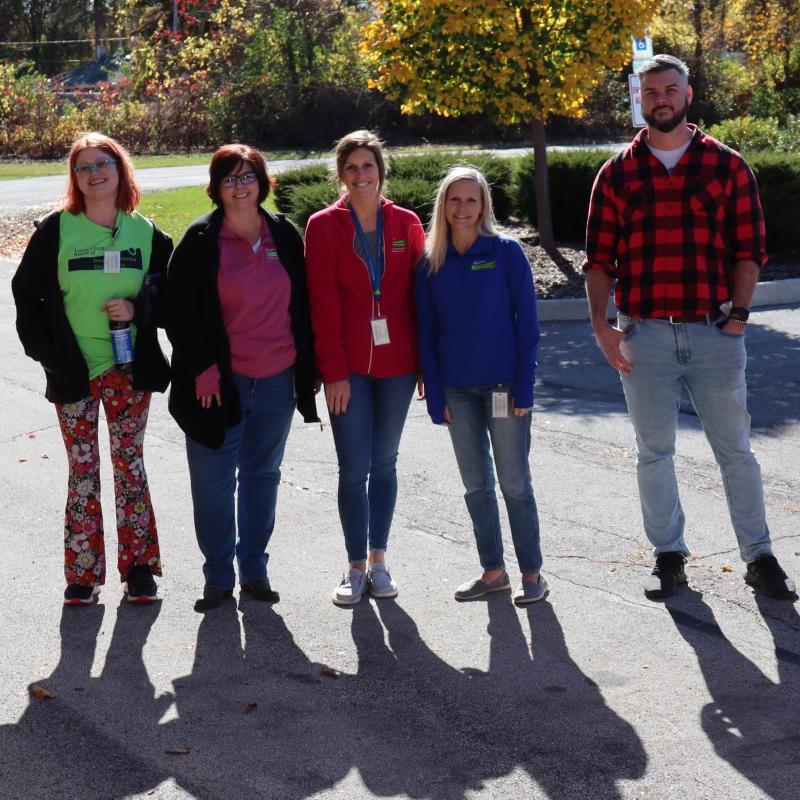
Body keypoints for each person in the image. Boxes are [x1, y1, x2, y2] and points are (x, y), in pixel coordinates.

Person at [584, 54, 796, 601]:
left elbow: (750, 250)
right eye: (651, 91)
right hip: (644, 335)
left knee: (736, 451)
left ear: (688, 95)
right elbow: (599, 260)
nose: (661, 98)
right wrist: (603, 327)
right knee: (654, 452)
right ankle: (669, 556)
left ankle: (760, 556)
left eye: (670, 89)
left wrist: (741, 315)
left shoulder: (727, 166)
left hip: (713, 332)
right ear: (641, 99)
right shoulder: (617, 173)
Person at [12, 132, 171, 605]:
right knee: (83, 470)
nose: (95, 172)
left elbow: (170, 299)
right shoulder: (56, 231)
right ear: (75, 178)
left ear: (121, 170)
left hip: (128, 370)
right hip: (73, 372)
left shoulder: (147, 233)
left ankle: (139, 569)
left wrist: (138, 308)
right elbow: (27, 297)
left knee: (130, 467)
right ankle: (83, 574)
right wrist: (51, 356)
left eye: (104, 163)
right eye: (84, 167)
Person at [166, 144, 319, 612]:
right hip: (219, 384)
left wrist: (307, 369)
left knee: (261, 476)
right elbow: (180, 313)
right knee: (212, 483)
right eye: (229, 178)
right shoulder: (199, 240)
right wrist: (203, 368)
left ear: (262, 181)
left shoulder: (284, 235)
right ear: (216, 187)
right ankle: (217, 577)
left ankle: (254, 570)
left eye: (247, 176)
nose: (239, 186)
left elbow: (304, 306)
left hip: (277, 378)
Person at [304, 130, 425, 606]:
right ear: (341, 173)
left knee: (385, 463)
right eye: (351, 167)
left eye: (368, 166)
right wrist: (332, 371)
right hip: (348, 367)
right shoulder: (323, 225)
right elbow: (321, 303)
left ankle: (379, 562)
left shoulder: (407, 223)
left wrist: (422, 368)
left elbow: (420, 299)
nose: (360, 175)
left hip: (397, 365)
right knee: (354, 468)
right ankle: (354, 567)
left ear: (381, 171)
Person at [416, 166, 546, 606]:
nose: (463, 207)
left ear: (484, 205)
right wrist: (435, 395)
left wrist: (525, 387)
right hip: (457, 392)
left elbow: (527, 324)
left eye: (471, 200)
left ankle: (532, 574)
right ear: (444, 206)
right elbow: (425, 332)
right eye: (455, 199)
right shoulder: (430, 261)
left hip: (503, 388)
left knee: (514, 483)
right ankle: (494, 572)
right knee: (476, 486)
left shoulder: (506, 252)